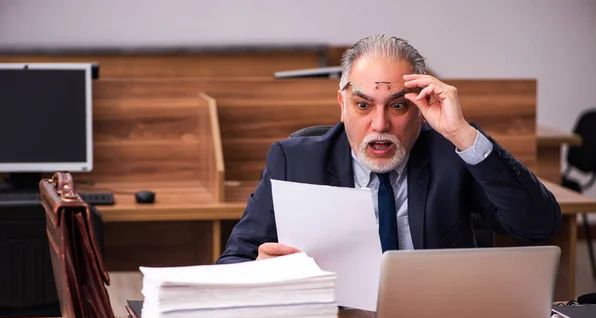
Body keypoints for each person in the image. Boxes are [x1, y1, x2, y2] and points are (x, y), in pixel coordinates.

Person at [216, 34, 561, 264]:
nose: (380, 125)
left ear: (421, 110)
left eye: (397, 107)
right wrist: (259, 271)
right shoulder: (293, 161)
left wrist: (462, 134)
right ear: (342, 104)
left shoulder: (452, 156)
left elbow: (539, 225)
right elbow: (233, 262)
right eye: (364, 106)